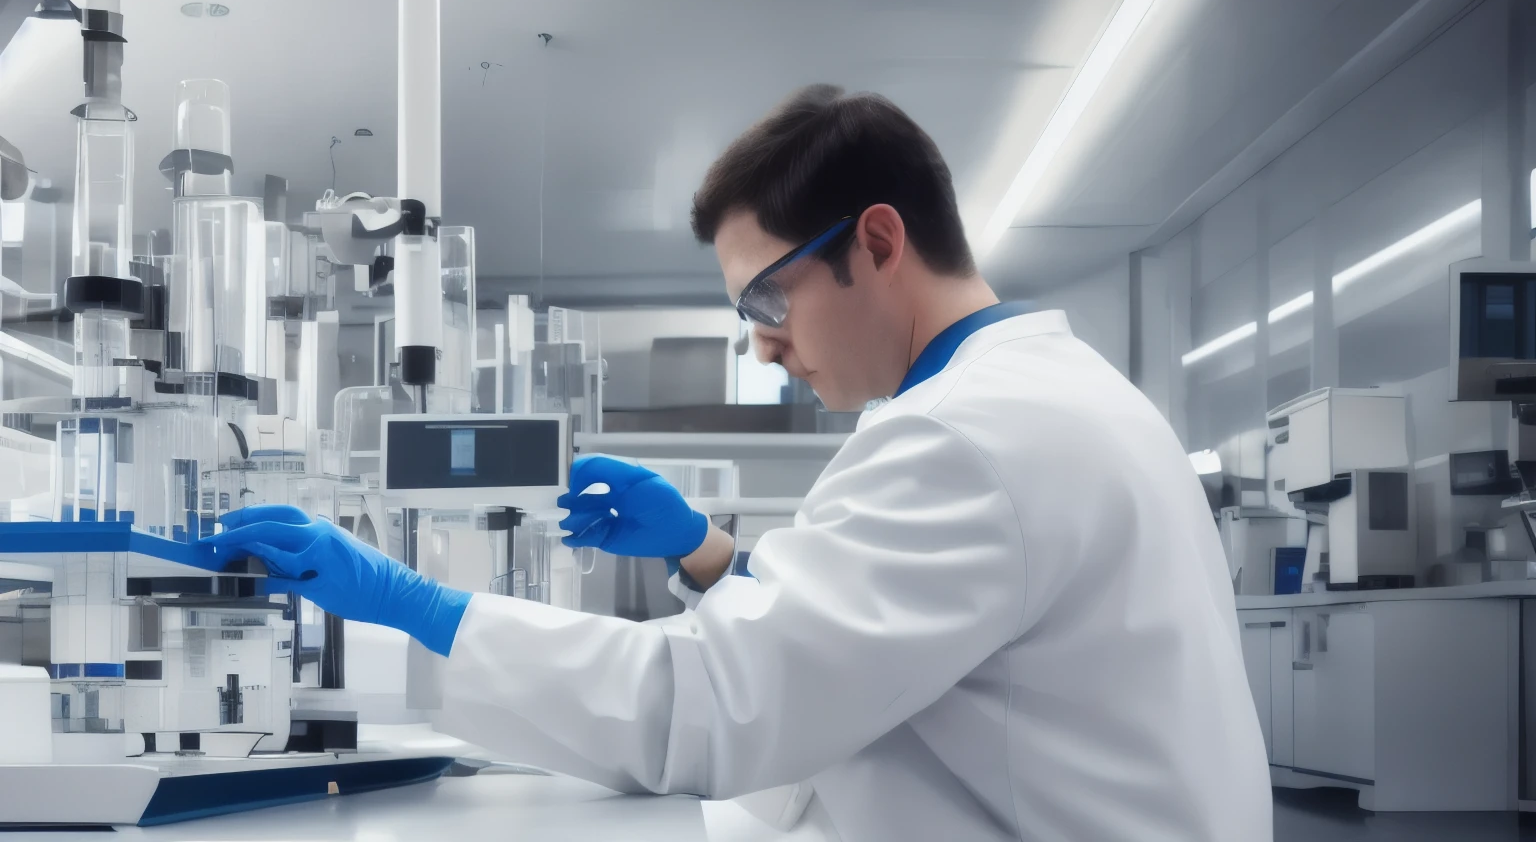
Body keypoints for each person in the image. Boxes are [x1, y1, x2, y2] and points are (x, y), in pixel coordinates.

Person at [200, 85, 1272, 841]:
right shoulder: (1055, 396)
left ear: (881, 242)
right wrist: (712, 554)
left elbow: (714, 705)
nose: (761, 342)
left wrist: (411, 604)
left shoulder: (966, 435)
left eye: (768, 300)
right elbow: (883, 640)